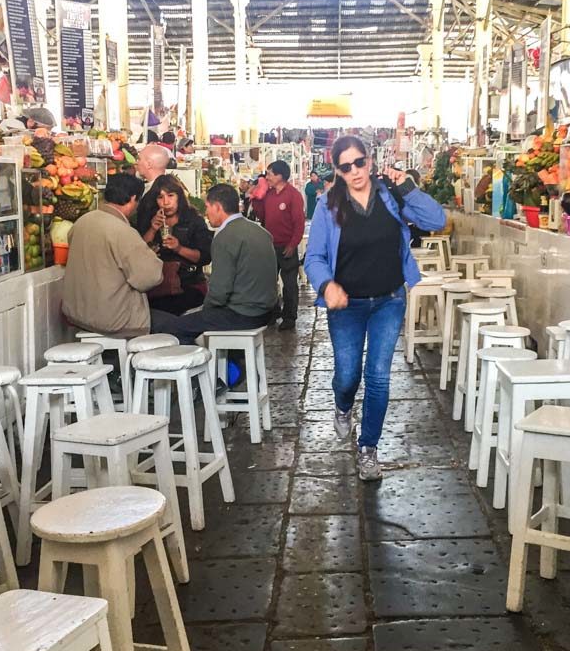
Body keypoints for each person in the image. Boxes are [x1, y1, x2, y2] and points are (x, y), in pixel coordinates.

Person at [305, 136, 445, 481]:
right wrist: (327, 285)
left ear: (370, 161)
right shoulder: (327, 206)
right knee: (348, 374)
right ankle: (343, 406)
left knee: (379, 376)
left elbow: (436, 219)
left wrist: (408, 188)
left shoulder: (390, 196)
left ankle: (368, 448)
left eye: (360, 163)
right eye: (346, 166)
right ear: (337, 171)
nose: (355, 171)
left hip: (389, 299)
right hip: (347, 305)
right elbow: (314, 257)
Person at [151, 183, 278, 343]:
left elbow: (219, 291)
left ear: (217, 207)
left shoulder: (225, 237)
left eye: (207, 207)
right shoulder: (261, 231)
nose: (206, 212)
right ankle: (229, 361)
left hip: (243, 313)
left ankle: (203, 366)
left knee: (172, 329)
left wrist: (206, 311)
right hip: (265, 311)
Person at [63, 173, 163, 338]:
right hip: (113, 319)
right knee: (177, 327)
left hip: (79, 314)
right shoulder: (122, 231)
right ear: (132, 199)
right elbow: (149, 278)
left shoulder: (81, 222)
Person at [135, 174, 213, 315]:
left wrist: (179, 248)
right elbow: (137, 253)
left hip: (188, 285)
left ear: (179, 196)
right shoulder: (149, 219)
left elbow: (205, 257)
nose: (166, 202)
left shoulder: (193, 220)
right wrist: (152, 229)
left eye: (170, 195)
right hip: (156, 287)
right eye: (160, 197)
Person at [250, 160, 305, 332]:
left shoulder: (293, 195)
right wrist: (256, 198)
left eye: (270, 174)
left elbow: (299, 223)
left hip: (286, 246)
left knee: (289, 284)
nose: (267, 177)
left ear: (280, 176)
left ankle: (289, 317)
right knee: (268, 282)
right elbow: (262, 215)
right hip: (270, 246)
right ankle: (273, 313)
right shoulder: (270, 194)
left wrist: (293, 244)